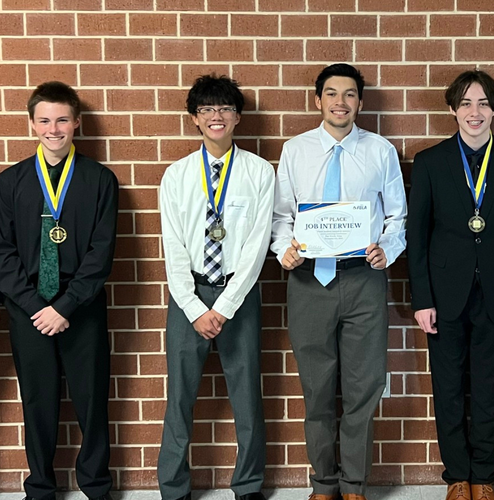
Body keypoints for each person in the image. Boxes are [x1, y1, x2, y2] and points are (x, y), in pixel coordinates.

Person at [270, 63, 407, 500]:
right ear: (318, 100)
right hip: (310, 281)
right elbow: (280, 217)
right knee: (317, 389)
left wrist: (389, 247)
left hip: (363, 278)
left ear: (360, 103)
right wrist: (283, 249)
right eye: (331, 94)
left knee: (364, 388)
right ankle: (323, 484)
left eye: (349, 95)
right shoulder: (295, 150)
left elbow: (397, 215)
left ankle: (354, 486)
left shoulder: (380, 151)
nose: (340, 102)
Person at [0, 81, 118, 500]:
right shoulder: (11, 183)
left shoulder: (100, 180)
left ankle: (96, 487)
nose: (53, 128)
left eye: (62, 119)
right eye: (44, 120)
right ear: (31, 124)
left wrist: (64, 305)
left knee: (92, 403)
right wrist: (33, 306)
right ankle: (40, 488)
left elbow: (101, 254)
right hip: (29, 311)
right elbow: (0, 254)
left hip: (81, 308)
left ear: (77, 122)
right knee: (38, 405)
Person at [406, 70, 494, 500]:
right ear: (453, 110)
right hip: (444, 296)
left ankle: (485, 477)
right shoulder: (430, 162)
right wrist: (421, 298)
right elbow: (416, 237)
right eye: (465, 104)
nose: (474, 112)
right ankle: (457, 475)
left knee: (489, 389)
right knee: (448, 388)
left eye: (482, 103)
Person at [157, 74, 273, 500]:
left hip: (237, 298)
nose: (216, 116)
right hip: (189, 298)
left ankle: (248, 485)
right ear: (195, 119)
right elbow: (172, 247)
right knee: (180, 397)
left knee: (247, 397)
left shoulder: (259, 172)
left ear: (237, 116)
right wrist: (193, 306)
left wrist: (223, 307)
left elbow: (257, 247)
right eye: (207, 110)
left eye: (224, 108)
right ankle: (173, 487)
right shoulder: (177, 175)